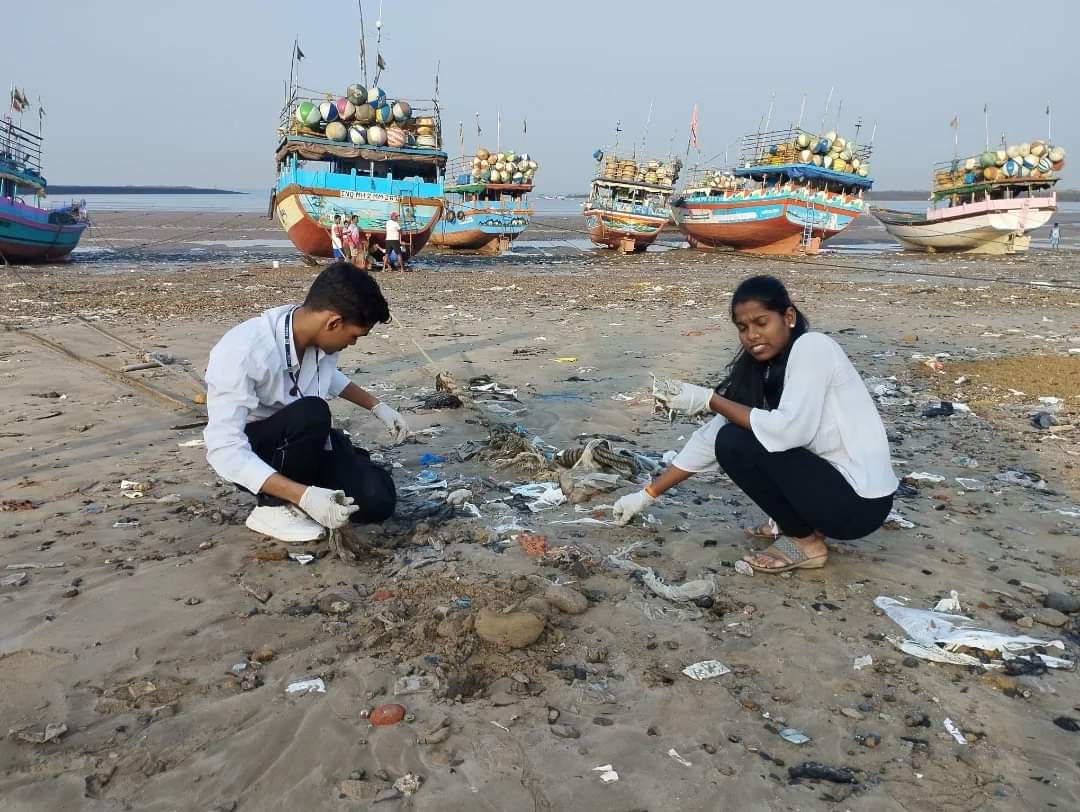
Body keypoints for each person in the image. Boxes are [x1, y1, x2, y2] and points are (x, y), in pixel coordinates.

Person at [612, 275, 897, 573]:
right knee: (730, 436)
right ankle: (803, 524)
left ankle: (805, 542)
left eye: (762, 323)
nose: (752, 335)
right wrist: (645, 496)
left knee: (736, 442)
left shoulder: (814, 347)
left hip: (860, 505)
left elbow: (790, 431)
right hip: (831, 493)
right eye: (743, 328)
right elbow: (709, 439)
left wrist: (710, 399)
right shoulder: (764, 369)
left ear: (788, 317)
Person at [203, 263, 409, 542]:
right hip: (260, 449)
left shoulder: (319, 341)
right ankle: (274, 507)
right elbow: (224, 449)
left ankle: (316, 487)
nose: (353, 344)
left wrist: (377, 406)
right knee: (312, 412)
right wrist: (305, 496)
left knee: (377, 499)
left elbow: (329, 376)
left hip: (306, 444)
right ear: (333, 322)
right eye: (354, 337)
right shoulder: (244, 351)